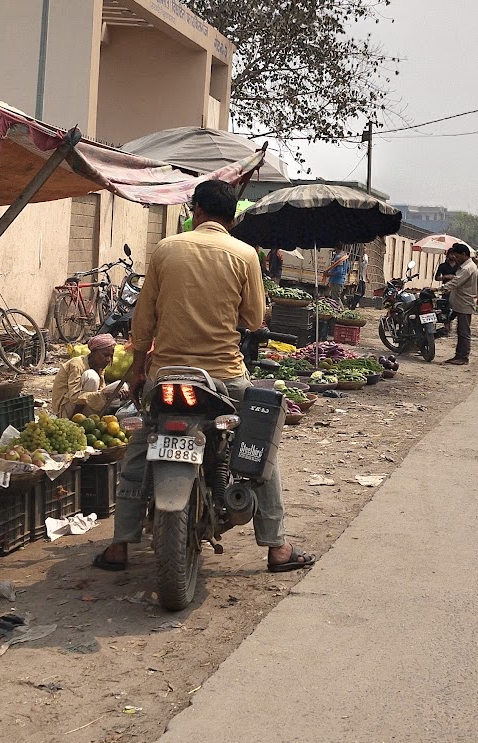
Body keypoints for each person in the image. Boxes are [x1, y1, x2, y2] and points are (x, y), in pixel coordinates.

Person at [94, 178, 314, 575]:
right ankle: (278, 547)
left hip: (167, 377)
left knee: (140, 450)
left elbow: (142, 322)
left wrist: (139, 368)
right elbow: (252, 318)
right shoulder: (245, 254)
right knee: (258, 449)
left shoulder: (165, 249)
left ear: (195, 210)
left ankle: (119, 546)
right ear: (232, 217)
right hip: (225, 379)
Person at [50, 336, 123, 420]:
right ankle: (75, 420)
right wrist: (103, 395)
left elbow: (101, 390)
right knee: (92, 376)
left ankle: (101, 418)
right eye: (105, 355)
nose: (108, 360)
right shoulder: (77, 364)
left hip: (85, 404)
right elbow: (74, 396)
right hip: (66, 409)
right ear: (93, 352)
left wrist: (114, 394)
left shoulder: (99, 366)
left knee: (121, 385)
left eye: (111, 356)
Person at [441, 243, 478, 365]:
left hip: (465, 302)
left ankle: (463, 357)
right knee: (460, 330)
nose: (455, 258)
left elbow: (456, 282)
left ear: (463, 254)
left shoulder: (468, 268)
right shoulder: (464, 266)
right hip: (460, 302)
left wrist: (440, 288)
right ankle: (458, 355)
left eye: (457, 256)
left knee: (464, 331)